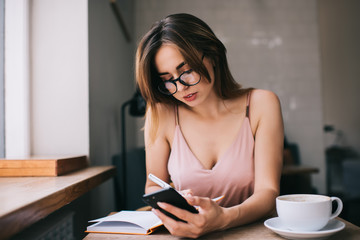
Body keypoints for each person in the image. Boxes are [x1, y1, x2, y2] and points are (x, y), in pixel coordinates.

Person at [135, 13, 284, 238]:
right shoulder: (161, 113)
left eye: (186, 71)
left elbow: (268, 191)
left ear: (213, 55)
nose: (181, 87)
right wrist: (174, 201)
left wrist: (224, 219)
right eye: (167, 79)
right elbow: (153, 184)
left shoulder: (261, 104)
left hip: (253, 234)